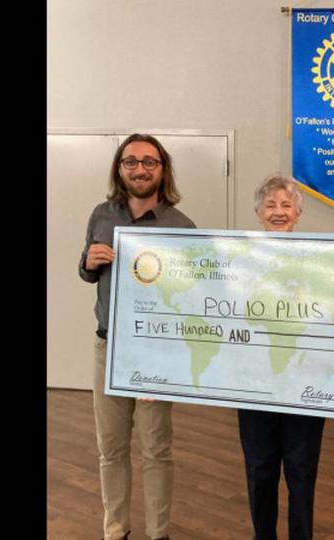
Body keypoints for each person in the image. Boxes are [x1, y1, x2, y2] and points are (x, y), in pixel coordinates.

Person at [79, 133, 196, 540]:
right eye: (131, 162)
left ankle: (158, 533)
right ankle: (116, 531)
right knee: (110, 449)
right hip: (108, 346)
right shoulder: (101, 214)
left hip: (154, 353)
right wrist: (89, 260)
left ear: (162, 170)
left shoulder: (181, 226)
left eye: (149, 161)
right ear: (119, 168)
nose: (140, 169)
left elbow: (191, 294)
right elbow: (86, 270)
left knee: (156, 450)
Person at [238, 174, 326, 540]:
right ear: (258, 213)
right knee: (260, 470)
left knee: (302, 472)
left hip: (304, 384)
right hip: (253, 383)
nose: (278, 212)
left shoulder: (320, 262)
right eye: (271, 205)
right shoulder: (237, 261)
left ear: (298, 213)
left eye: (286, 205)